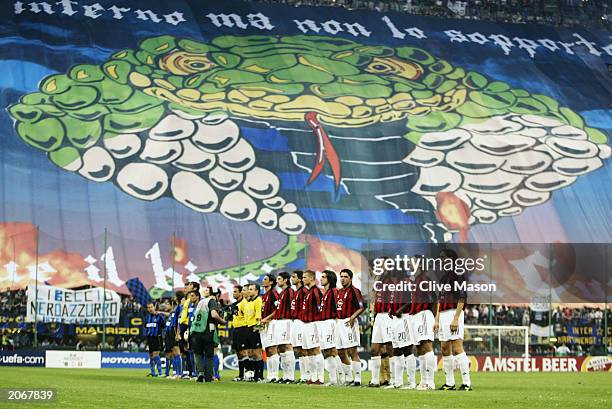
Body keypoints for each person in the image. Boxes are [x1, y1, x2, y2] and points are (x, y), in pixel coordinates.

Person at [435, 248, 471, 391]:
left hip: (453, 312)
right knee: (444, 347)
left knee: (457, 346)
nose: (441, 260)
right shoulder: (444, 277)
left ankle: (466, 383)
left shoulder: (458, 274)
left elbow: (462, 297)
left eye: (443, 257)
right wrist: (437, 318)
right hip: (443, 314)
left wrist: (456, 318)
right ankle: (449, 383)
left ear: (451, 258)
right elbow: (440, 299)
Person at [262, 271, 295, 383]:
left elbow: (292, 307)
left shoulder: (290, 292)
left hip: (286, 321)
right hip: (279, 321)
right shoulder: (281, 293)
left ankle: (290, 376)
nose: (278, 281)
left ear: (286, 280)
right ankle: (285, 376)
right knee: (281, 348)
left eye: (280, 279)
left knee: (286, 346)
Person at [189, 288, 227, 382]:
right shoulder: (212, 301)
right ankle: (209, 377)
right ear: (217, 295)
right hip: (207, 331)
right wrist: (222, 321)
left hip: (195, 331)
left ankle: (200, 373)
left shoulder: (201, 302)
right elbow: (214, 314)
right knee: (209, 355)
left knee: (198, 354)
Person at [336, 268, 365, 387]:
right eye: (341, 276)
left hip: (349, 322)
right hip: (339, 323)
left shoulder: (354, 291)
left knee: (352, 351)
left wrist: (353, 317)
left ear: (351, 278)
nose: (343, 279)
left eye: (345, 277)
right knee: (340, 352)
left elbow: (362, 307)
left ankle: (357, 380)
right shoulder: (339, 292)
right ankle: (348, 378)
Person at [302, 270, 325, 385]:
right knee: (309, 350)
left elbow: (321, 308)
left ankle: (320, 378)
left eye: (305, 277)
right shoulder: (308, 292)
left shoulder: (316, 292)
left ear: (311, 279)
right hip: (306, 324)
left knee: (316, 349)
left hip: (314, 324)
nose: (303, 279)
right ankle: (313, 376)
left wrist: (319, 324)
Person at [319, 270, 340, 385]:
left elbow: (338, 308)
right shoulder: (325, 293)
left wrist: (336, 323)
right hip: (323, 323)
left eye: (323, 277)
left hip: (331, 322)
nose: (321, 279)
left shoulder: (334, 292)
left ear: (329, 279)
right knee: (326, 351)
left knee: (333, 350)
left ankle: (342, 378)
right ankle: (333, 379)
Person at [240, 283, 263, 381]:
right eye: (248, 289)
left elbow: (259, 317)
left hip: (254, 328)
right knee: (249, 353)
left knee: (257, 352)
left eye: (251, 289)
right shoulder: (248, 302)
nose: (248, 291)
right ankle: (252, 374)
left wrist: (257, 330)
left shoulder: (258, 301)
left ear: (256, 291)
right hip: (247, 328)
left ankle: (259, 375)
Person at [259, 274, 280, 382]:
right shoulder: (264, 295)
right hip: (264, 325)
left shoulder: (274, 294)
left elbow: (278, 309)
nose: (263, 281)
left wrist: (266, 319)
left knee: (272, 348)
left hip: (272, 324)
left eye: (266, 279)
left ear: (271, 282)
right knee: (267, 350)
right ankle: (270, 375)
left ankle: (275, 375)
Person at [290, 270, 309, 383]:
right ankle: (303, 375)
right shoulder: (296, 292)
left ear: (300, 279)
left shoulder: (304, 291)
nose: (292, 279)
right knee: (298, 349)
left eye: (294, 277)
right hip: (296, 321)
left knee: (303, 349)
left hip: (302, 322)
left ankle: (307, 375)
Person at [179, 282, 200, 378]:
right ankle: (189, 372)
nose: (186, 288)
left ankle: (199, 371)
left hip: (195, 328)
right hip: (186, 327)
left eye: (188, 286)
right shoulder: (187, 302)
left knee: (195, 351)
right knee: (187, 350)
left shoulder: (199, 302)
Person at [229, 285, 247, 381]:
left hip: (243, 329)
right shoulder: (235, 304)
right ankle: (241, 375)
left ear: (241, 293)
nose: (234, 293)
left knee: (244, 352)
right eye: (233, 291)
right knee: (238, 352)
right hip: (235, 329)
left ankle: (247, 374)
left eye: (236, 291)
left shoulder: (244, 303)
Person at [144, 302, 165, 377]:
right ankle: (153, 372)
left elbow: (163, 325)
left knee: (155, 354)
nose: (150, 309)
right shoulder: (147, 317)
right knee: (151, 356)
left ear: (154, 307)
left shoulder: (159, 316)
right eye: (148, 307)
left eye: (151, 307)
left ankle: (160, 373)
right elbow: (145, 327)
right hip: (149, 338)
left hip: (157, 337)